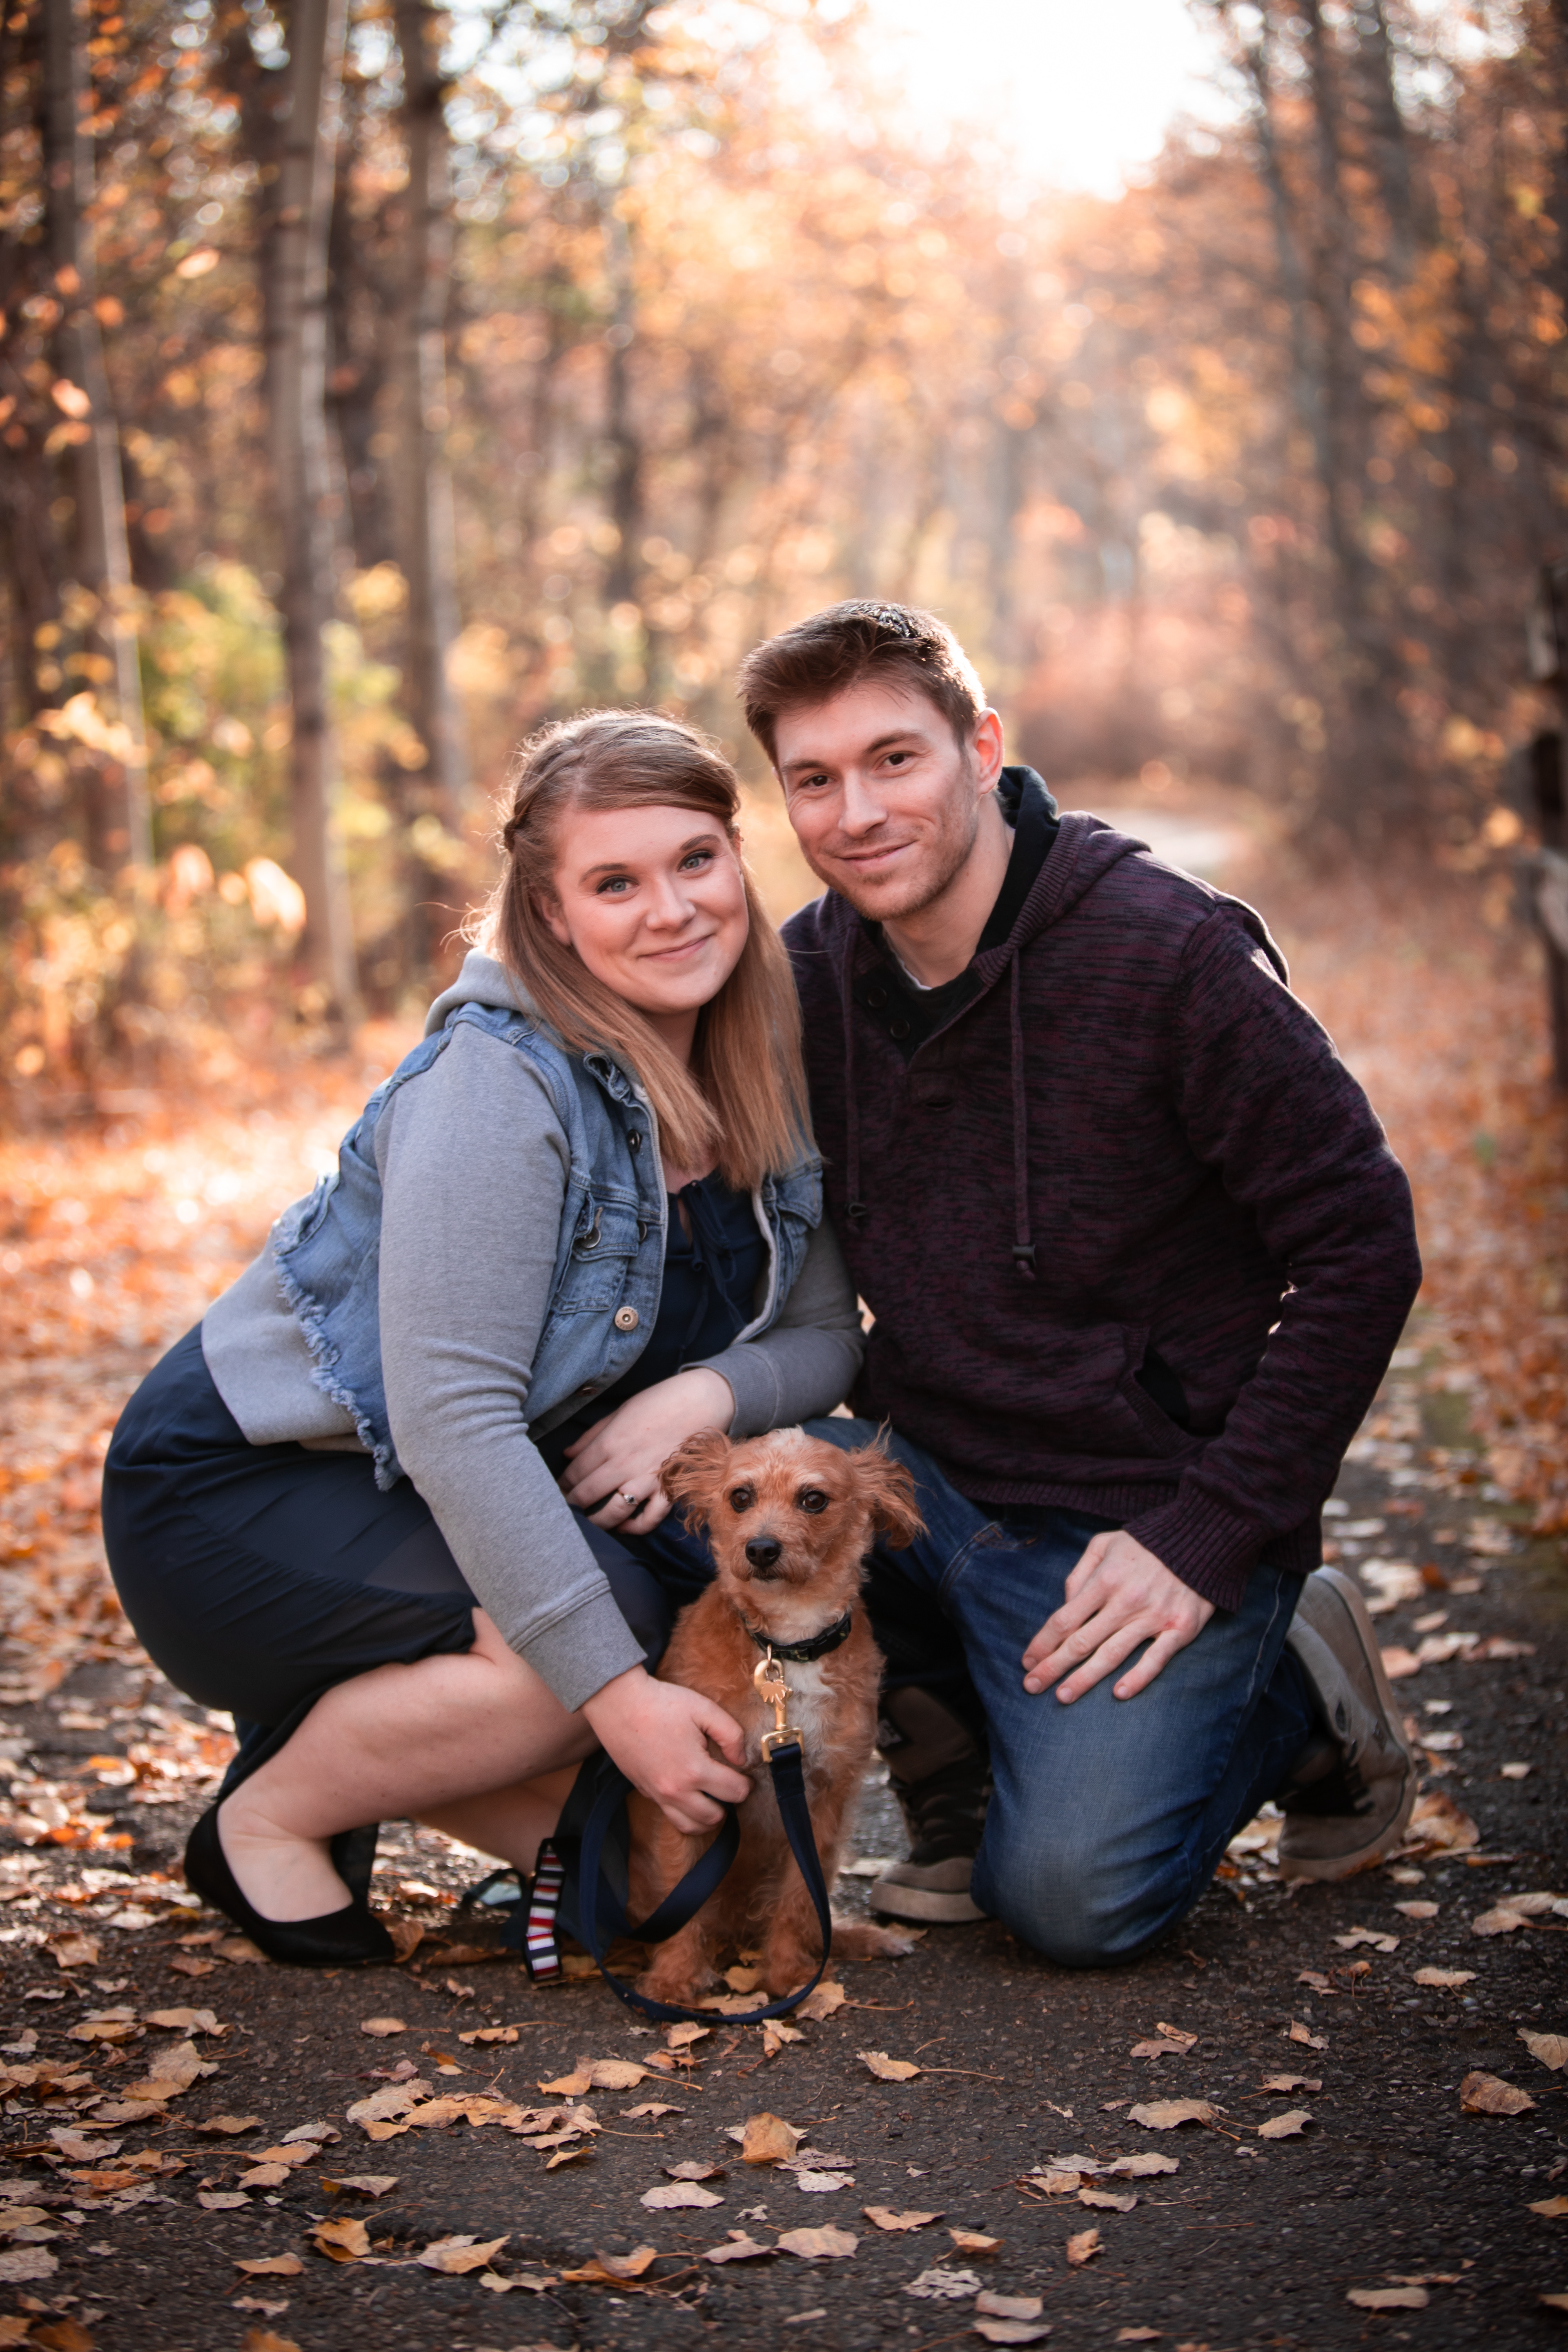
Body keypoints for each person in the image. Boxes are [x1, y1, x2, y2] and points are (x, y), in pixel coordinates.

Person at [101, 712, 864, 1965]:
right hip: (253, 1489)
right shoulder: (496, 1085)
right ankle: (273, 1816)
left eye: (695, 861)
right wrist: (618, 1707)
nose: (671, 909)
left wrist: (704, 1399)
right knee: (603, 1628)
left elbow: (828, 1331)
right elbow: (452, 1418)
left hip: (437, 1500)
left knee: (637, 1902)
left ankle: (374, 1742)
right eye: (614, 882)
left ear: (739, 860)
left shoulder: (757, 1058)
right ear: (552, 913)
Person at [730, 600, 1424, 1963]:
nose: (857, 812)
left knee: (1071, 1904)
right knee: (653, 1503)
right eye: (814, 780)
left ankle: (1299, 1691)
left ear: (981, 748)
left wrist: (1215, 1528)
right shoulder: (805, 978)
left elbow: (1362, 1238)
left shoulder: (1165, 956)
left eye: (895, 760)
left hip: (1137, 1504)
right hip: (923, 1468)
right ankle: (964, 1764)